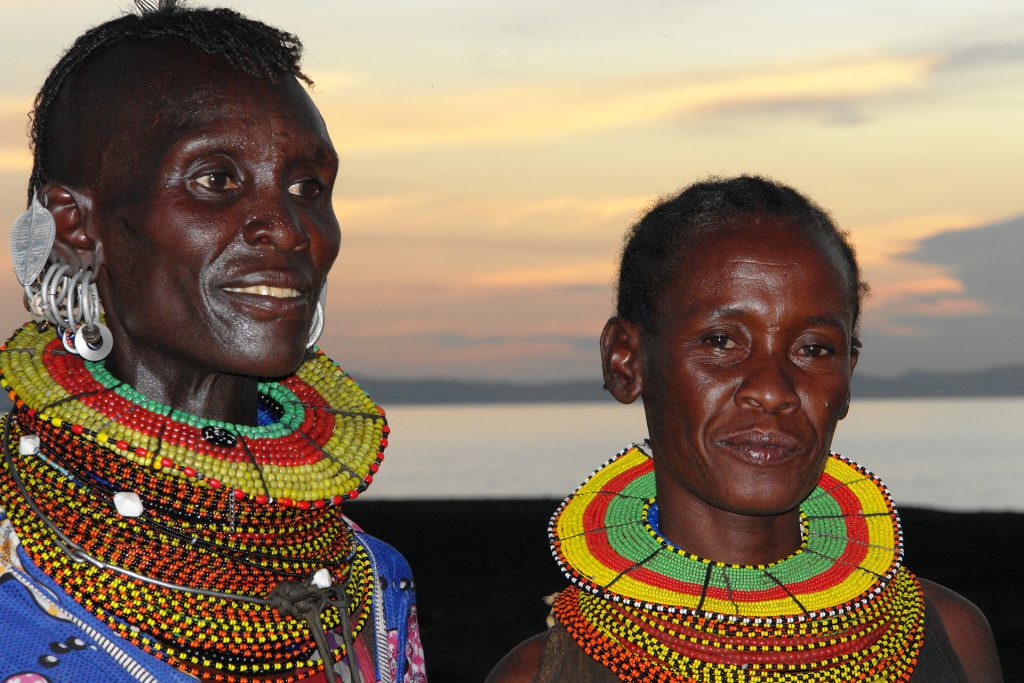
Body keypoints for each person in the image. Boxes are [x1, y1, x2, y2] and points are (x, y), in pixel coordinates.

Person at [0, 2, 426, 681]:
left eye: (308, 185)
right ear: (76, 224)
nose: (288, 228)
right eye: (216, 179)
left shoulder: (371, 583)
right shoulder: (13, 563)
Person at [487, 176, 1002, 682]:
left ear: (847, 377)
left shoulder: (948, 636)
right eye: (720, 341)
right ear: (626, 362)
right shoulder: (542, 673)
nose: (774, 389)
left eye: (813, 349)